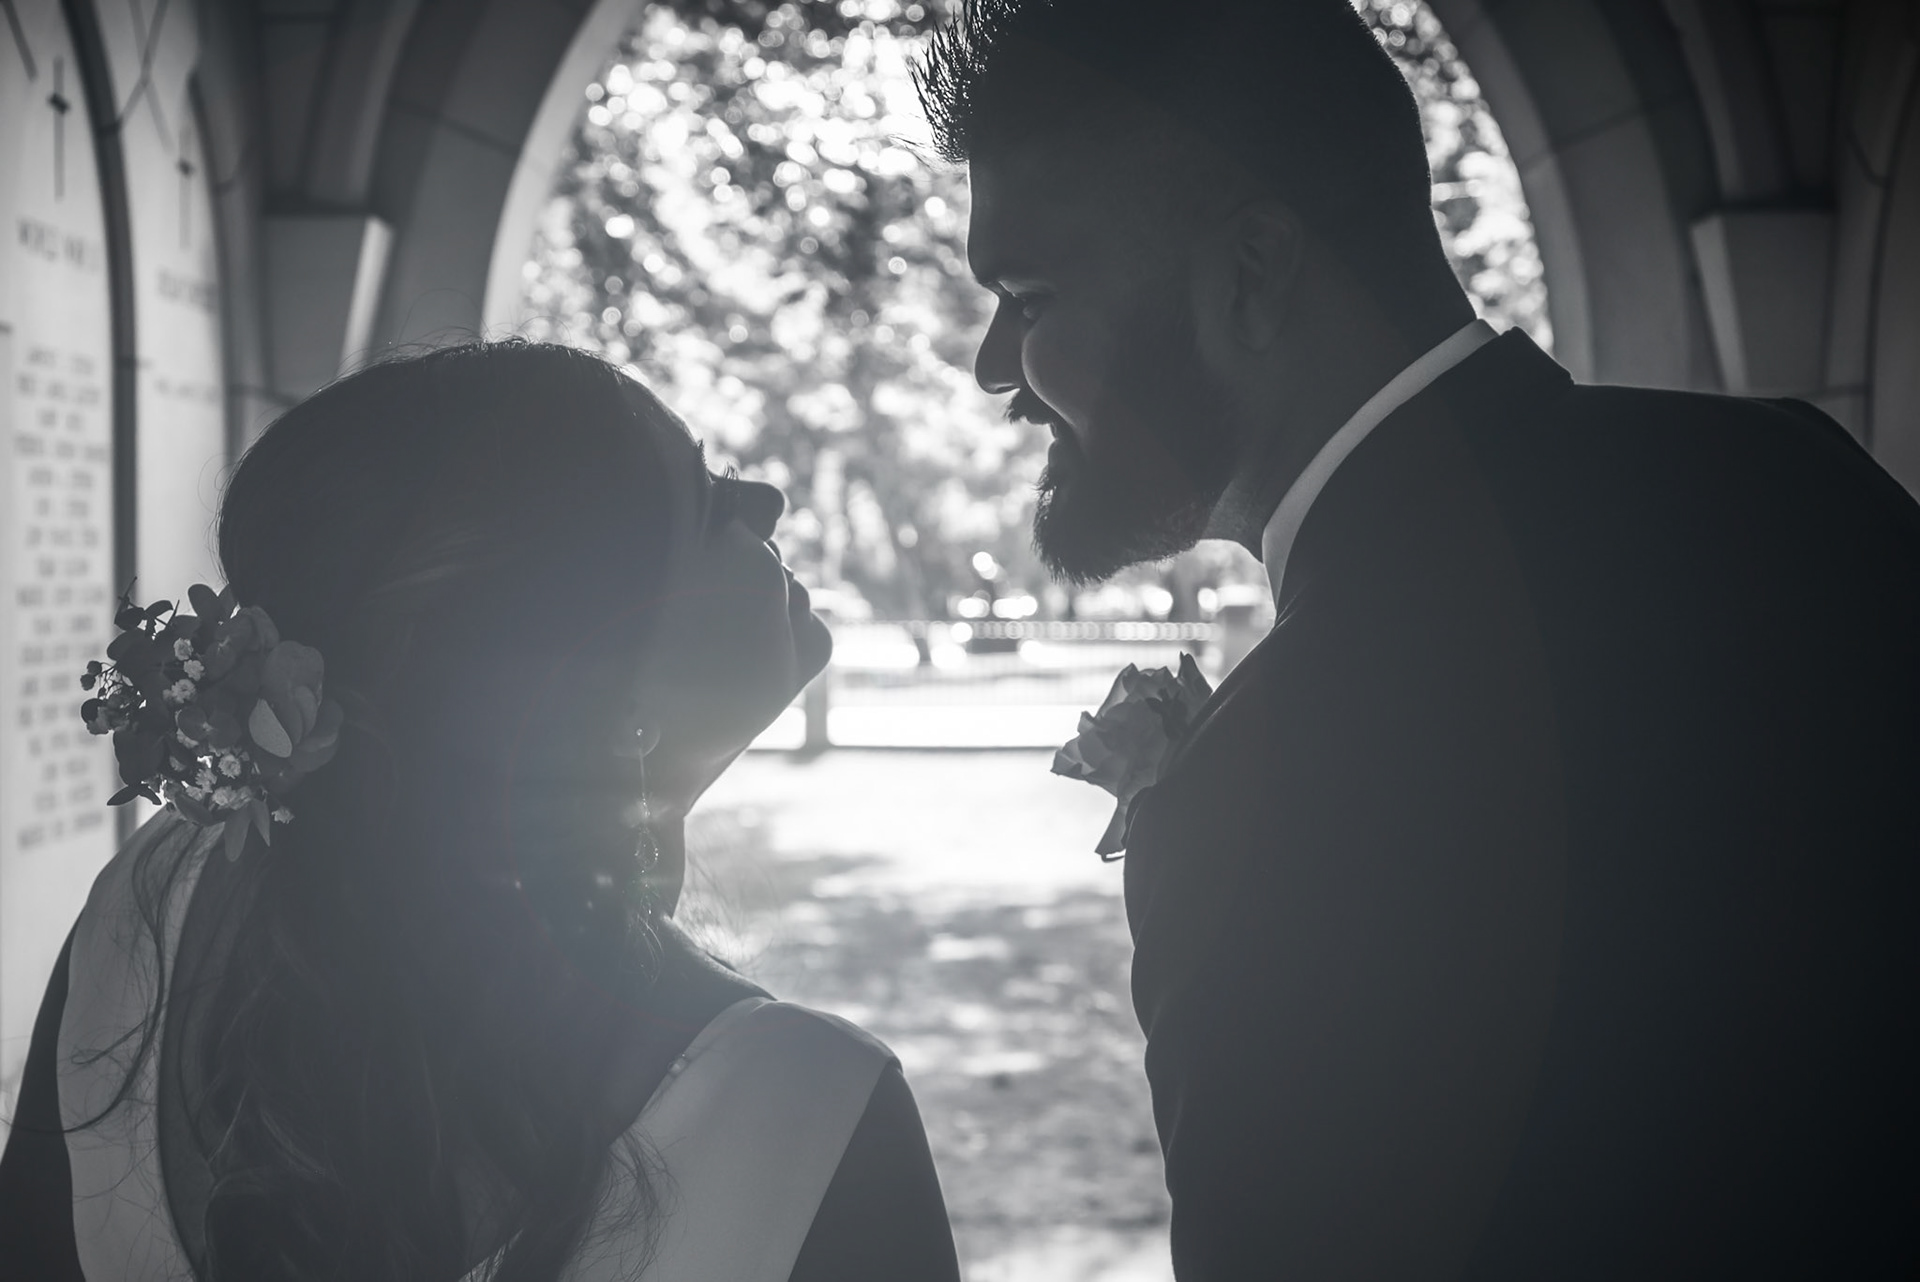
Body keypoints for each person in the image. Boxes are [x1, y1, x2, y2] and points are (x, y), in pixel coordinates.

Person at [916, 1, 1920, 1277]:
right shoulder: (1793, 476)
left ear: (1252, 273)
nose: (993, 366)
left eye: (1028, 296)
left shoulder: (1262, 797)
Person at [0, 341, 962, 1282]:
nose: (768, 502)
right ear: (596, 677)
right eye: (707, 507)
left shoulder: (154, 898)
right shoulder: (809, 1113)